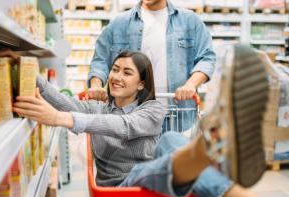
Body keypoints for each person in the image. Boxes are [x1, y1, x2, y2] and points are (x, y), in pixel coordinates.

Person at [13, 47, 289, 197]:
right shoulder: (96, 108)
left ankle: (211, 146)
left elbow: (126, 125)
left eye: (127, 72)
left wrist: (64, 120)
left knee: (171, 140)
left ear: (141, 83)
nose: (116, 76)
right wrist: (21, 62)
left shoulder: (154, 108)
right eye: (114, 69)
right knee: (145, 167)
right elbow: (56, 99)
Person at [87, 0, 216, 131]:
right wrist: (96, 85)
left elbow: (207, 58)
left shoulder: (190, 21)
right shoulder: (119, 24)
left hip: (178, 118)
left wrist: (191, 85)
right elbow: (100, 60)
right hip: (132, 118)